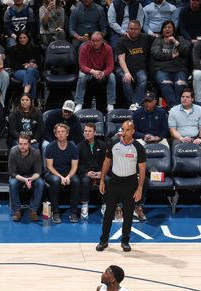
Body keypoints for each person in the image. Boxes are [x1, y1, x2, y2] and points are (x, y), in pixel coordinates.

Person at [96, 120, 146, 252]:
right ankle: (103, 240)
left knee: (128, 214)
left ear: (133, 131)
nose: (124, 132)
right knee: (108, 212)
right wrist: (101, 180)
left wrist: (140, 188)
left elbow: (142, 170)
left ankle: (125, 241)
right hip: (114, 182)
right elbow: (107, 162)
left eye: (127, 130)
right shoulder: (113, 144)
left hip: (130, 183)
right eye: (123, 129)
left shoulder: (138, 147)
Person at [44, 123, 80, 223]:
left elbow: (74, 166)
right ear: (55, 134)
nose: (60, 134)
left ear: (67, 133)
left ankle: (73, 212)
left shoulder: (73, 147)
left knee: (76, 180)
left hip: (68, 173)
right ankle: (55, 213)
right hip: (53, 174)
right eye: (58, 132)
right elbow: (49, 166)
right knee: (55, 181)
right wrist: (61, 177)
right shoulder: (50, 147)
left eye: (63, 131)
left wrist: (68, 176)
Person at [151, 21, 191, 108]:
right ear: (162, 30)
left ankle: (175, 108)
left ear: (174, 29)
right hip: (162, 69)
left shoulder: (180, 39)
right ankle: (174, 108)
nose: (167, 29)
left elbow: (186, 52)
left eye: (169, 27)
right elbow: (156, 54)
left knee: (180, 84)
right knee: (166, 84)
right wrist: (171, 56)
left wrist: (175, 42)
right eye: (165, 27)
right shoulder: (158, 40)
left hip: (179, 69)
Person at [74, 31, 115, 113]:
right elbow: (82, 66)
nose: (95, 43)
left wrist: (103, 73)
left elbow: (110, 66)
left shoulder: (108, 49)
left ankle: (110, 104)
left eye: (98, 41)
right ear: (90, 40)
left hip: (101, 72)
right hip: (89, 72)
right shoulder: (84, 48)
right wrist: (92, 71)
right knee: (82, 76)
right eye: (93, 41)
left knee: (112, 77)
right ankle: (79, 103)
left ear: (102, 41)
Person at [115, 19, 151, 111]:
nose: (133, 31)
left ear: (140, 29)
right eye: (131, 29)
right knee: (126, 79)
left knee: (143, 79)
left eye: (135, 29)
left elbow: (159, 38)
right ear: (127, 29)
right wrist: (127, 73)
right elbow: (121, 59)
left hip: (139, 68)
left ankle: (136, 104)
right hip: (124, 68)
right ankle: (132, 104)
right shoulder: (122, 41)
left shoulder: (145, 38)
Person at [8, 134, 43, 222]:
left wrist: (30, 179)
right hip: (18, 176)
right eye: (20, 144)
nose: (22, 146)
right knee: (12, 183)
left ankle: (33, 210)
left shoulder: (36, 152)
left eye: (25, 144)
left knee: (40, 183)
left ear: (29, 144)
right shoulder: (13, 152)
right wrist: (24, 180)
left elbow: (38, 172)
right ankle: (17, 211)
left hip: (32, 176)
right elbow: (12, 173)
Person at [76, 122, 107, 221]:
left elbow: (106, 163)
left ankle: (105, 204)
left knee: (107, 179)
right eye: (85, 131)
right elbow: (78, 164)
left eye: (90, 131)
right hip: (85, 172)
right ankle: (85, 205)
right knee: (85, 180)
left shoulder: (102, 145)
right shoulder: (79, 146)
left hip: (99, 172)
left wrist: (101, 173)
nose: (87, 133)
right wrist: (86, 172)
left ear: (94, 132)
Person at [8, 32, 42, 101]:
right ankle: (32, 101)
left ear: (28, 38)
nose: (22, 39)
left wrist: (35, 65)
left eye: (24, 37)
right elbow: (12, 64)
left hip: (34, 70)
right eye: (20, 38)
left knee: (31, 70)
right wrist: (25, 66)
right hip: (19, 71)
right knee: (32, 78)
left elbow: (39, 62)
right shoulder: (13, 49)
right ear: (18, 39)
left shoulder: (34, 48)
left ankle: (25, 95)